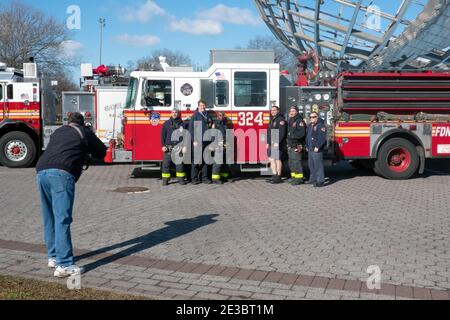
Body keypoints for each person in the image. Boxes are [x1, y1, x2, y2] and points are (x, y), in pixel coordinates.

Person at [36, 112, 107, 277]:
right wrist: (90, 137)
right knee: (63, 219)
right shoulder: (84, 132)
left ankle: (53, 257)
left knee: (50, 217)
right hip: (61, 174)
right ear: (81, 124)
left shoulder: (59, 131)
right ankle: (65, 264)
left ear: (68, 122)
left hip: (41, 172)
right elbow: (101, 152)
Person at [160, 108, 187, 186]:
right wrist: (163, 146)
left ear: (178, 113)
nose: (174, 113)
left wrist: (185, 146)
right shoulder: (166, 123)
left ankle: (181, 180)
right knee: (166, 164)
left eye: (176, 112)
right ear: (171, 113)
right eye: (173, 112)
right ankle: (165, 180)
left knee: (179, 165)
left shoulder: (182, 124)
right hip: (168, 147)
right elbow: (162, 136)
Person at [189, 99, 213, 185]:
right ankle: (194, 179)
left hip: (206, 142)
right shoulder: (195, 116)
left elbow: (211, 125)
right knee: (196, 161)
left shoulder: (207, 115)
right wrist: (194, 140)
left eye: (203, 105)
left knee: (205, 161)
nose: (202, 107)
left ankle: (204, 178)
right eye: (201, 105)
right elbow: (191, 129)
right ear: (198, 106)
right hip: (198, 142)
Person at [266, 105, 287, 184]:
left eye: (274, 110)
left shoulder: (280, 120)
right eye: (272, 110)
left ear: (278, 111)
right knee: (271, 159)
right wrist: (268, 142)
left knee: (277, 159)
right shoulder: (272, 120)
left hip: (276, 141)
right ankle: (274, 175)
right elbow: (268, 132)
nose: (273, 111)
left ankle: (278, 177)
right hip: (272, 141)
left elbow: (282, 133)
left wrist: (277, 142)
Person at [306, 111, 327, 187]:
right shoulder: (310, 125)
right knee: (311, 165)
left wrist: (317, 147)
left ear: (317, 117)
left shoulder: (320, 125)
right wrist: (307, 146)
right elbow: (308, 137)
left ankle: (320, 181)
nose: (312, 118)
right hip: (310, 149)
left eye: (313, 117)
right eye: (310, 117)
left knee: (318, 166)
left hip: (316, 149)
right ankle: (313, 179)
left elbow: (322, 138)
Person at [287, 106, 306, 185]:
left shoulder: (299, 121)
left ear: (297, 112)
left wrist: (292, 136)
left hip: (296, 145)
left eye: (293, 111)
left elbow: (301, 133)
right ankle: (294, 177)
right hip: (291, 145)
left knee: (296, 162)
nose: (292, 112)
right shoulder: (291, 120)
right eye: (291, 111)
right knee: (291, 162)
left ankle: (299, 179)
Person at [211, 111, 231, 184]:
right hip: (218, 146)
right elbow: (213, 137)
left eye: (222, 115)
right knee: (218, 163)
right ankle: (215, 179)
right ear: (217, 116)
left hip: (224, 145)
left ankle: (224, 177)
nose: (220, 117)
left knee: (225, 162)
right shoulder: (215, 125)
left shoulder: (224, 124)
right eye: (219, 115)